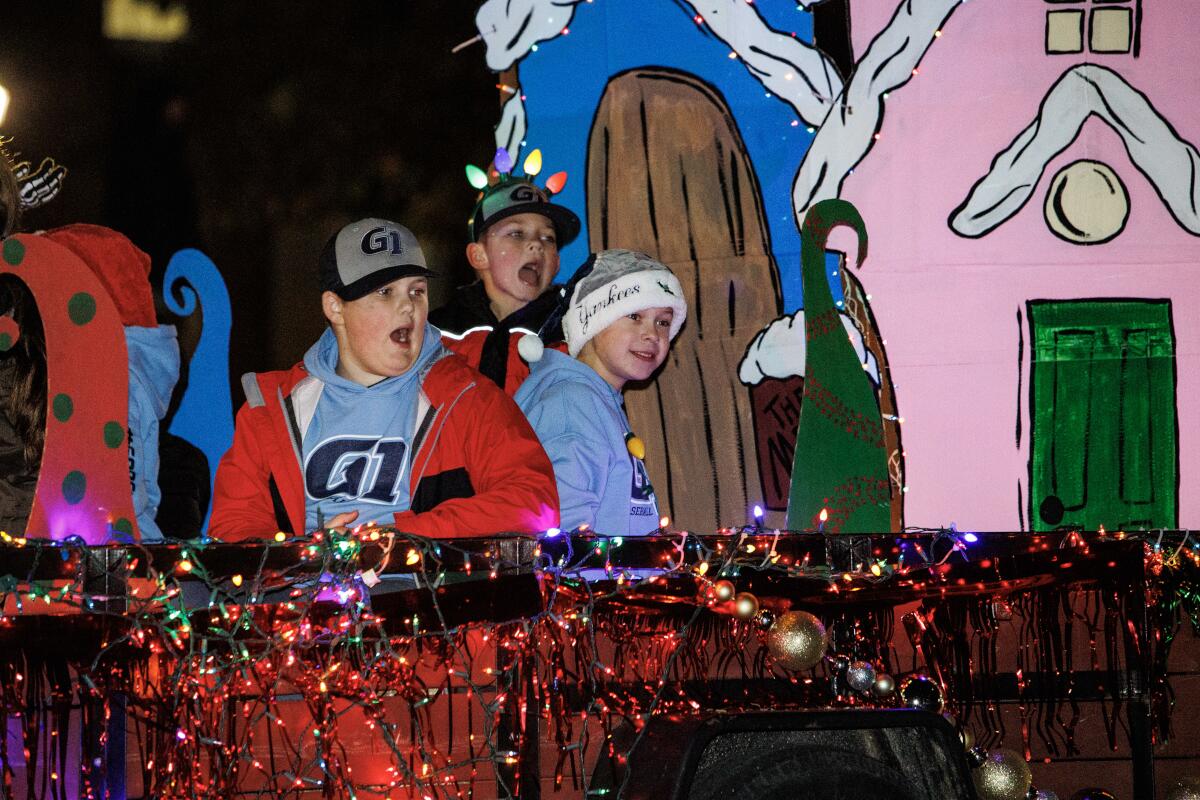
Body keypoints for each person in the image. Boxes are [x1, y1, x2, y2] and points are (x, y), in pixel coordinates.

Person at [209, 218, 558, 541]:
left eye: (416, 291)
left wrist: (396, 538)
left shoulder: (466, 396)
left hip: (423, 586)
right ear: (334, 307)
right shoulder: (272, 408)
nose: (408, 307)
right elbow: (234, 530)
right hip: (305, 588)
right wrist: (308, 555)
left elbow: (534, 504)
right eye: (385, 292)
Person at [514, 249, 687, 536]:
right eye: (634, 315)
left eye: (663, 322)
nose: (652, 334)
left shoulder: (596, 400)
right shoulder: (571, 404)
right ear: (591, 322)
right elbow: (564, 537)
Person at [430, 176, 580, 394]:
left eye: (548, 238)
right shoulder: (437, 331)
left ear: (556, 263)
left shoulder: (572, 330)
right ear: (479, 255)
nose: (536, 244)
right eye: (516, 234)